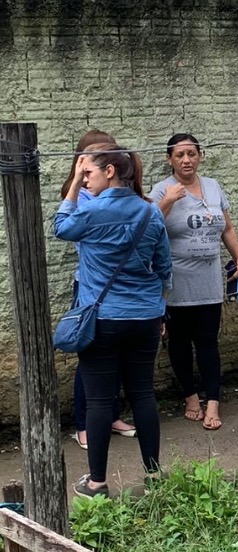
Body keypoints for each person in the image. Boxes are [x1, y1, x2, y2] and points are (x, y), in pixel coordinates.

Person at [55, 144, 171, 498]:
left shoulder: (92, 212)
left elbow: (61, 227)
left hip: (103, 319)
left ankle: (97, 483)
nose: (84, 179)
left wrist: (73, 185)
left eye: (87, 172)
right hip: (146, 317)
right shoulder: (151, 212)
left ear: (109, 171)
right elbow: (164, 267)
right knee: (142, 394)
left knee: (100, 401)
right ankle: (153, 476)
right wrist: (159, 308)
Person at [150, 133, 238, 432]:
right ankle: (191, 397)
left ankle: (213, 402)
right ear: (169, 159)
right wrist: (167, 201)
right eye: (179, 155)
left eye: (191, 153)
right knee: (178, 343)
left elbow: (226, 227)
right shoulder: (162, 190)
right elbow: (149, 229)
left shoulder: (213, 186)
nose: (186, 160)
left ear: (200, 155)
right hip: (176, 280)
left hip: (209, 278)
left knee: (208, 342)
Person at [62, 131, 138, 451]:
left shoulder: (117, 191)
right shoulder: (80, 192)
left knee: (118, 354)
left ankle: (111, 415)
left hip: (120, 285)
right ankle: (84, 423)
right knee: (90, 357)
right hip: (92, 287)